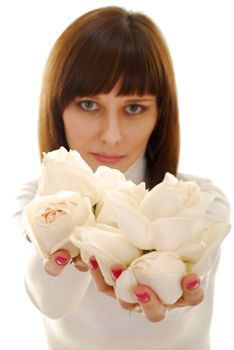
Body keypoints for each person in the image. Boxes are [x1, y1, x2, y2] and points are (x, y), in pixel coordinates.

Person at [15, 6, 230, 350]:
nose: (112, 135)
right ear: (57, 108)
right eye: (88, 105)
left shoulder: (200, 199)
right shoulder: (31, 203)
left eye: (133, 108)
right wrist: (57, 254)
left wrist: (169, 293)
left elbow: (181, 304)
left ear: (160, 113)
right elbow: (49, 302)